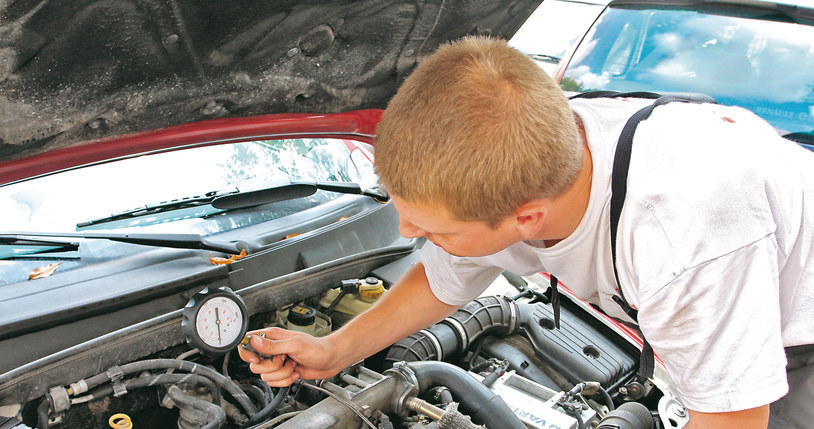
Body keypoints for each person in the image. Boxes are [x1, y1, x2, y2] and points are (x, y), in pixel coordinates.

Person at [238, 36, 814, 428]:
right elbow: (444, 282)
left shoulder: (682, 235)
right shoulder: (521, 155)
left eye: (432, 228)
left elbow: (732, 416)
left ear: (526, 219)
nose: (405, 230)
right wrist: (336, 349)